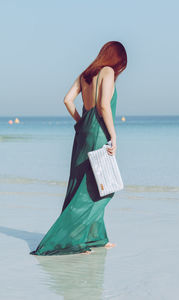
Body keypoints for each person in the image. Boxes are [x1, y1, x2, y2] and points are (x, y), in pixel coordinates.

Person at [30, 41, 127, 256]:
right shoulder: (108, 71)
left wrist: (81, 121)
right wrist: (113, 134)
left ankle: (95, 238)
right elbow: (103, 105)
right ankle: (70, 241)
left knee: (86, 184)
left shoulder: (85, 74)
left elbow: (67, 100)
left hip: (83, 132)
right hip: (99, 131)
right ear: (117, 59)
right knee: (101, 188)